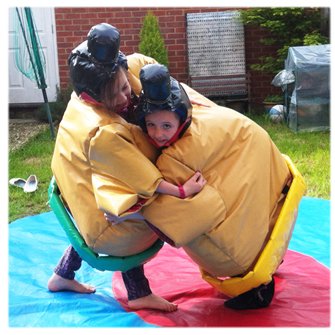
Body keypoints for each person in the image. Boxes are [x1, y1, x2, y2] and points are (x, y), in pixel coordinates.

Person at [48, 23, 205, 312]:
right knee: (142, 212)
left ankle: (61, 275)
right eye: (114, 97)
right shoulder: (105, 132)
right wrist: (183, 191)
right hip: (104, 227)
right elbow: (148, 179)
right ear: (93, 98)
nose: (124, 98)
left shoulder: (81, 94)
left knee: (102, 218)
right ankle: (138, 294)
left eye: (125, 87)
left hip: (68, 193)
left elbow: (138, 66)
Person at [128, 63, 294, 310]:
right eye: (150, 125)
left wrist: (131, 211)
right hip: (277, 179)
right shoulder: (203, 112)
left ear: (181, 118)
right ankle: (263, 262)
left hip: (257, 174)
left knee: (237, 247)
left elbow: (160, 211)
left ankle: (256, 285)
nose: (157, 134)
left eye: (166, 126)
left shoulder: (175, 158)